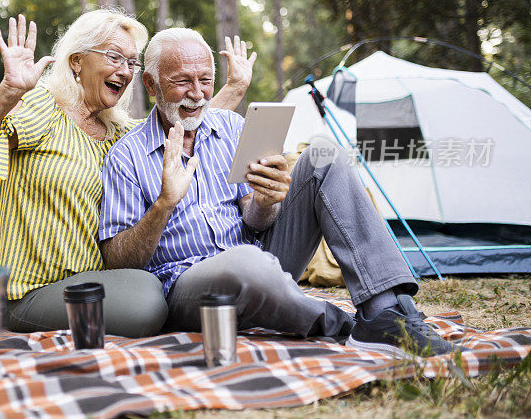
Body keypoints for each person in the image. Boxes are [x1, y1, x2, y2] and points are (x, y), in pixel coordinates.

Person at [98, 27, 453, 356]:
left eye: (206, 80)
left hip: (260, 258)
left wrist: (268, 202)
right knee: (246, 263)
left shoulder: (232, 127)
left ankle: (382, 310)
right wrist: (164, 204)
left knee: (323, 156)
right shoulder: (126, 157)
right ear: (151, 83)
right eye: (181, 82)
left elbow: (254, 220)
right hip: (190, 287)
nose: (197, 94)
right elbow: (118, 261)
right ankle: (338, 323)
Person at [0, 11, 254, 337]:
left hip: (96, 282)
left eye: (131, 63)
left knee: (153, 285)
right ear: (77, 61)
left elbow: (184, 122)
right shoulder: (45, 110)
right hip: (28, 291)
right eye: (114, 57)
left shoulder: (117, 132)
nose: (124, 71)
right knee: (148, 302)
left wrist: (232, 88)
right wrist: (8, 91)